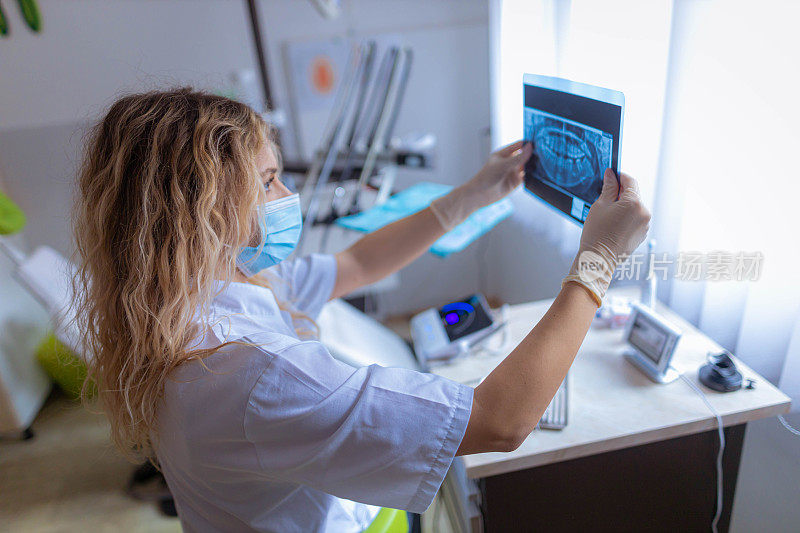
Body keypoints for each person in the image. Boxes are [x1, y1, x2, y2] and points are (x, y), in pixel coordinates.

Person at [73, 88, 649, 532]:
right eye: (269, 181)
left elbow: (355, 266)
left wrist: (475, 193)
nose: (286, 197)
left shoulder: (190, 297)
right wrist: (598, 262)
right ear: (204, 211)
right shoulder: (250, 374)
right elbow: (501, 422)